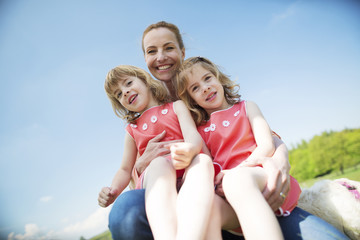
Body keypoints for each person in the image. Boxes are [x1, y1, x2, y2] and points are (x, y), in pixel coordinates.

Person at [107, 21, 350, 240]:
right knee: (125, 210)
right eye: (151, 51)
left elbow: (261, 136)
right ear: (145, 59)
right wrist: (140, 168)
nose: (161, 56)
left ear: (182, 51)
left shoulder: (208, 103)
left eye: (168, 47)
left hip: (244, 189)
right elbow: (136, 176)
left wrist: (279, 158)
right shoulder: (145, 118)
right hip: (206, 206)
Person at [176, 56, 303, 239]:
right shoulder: (200, 131)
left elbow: (267, 146)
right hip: (230, 200)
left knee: (237, 180)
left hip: (259, 176)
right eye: (195, 88)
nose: (205, 88)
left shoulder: (246, 107)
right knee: (201, 209)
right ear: (192, 100)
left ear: (218, 78)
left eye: (208, 78)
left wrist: (237, 171)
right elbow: (207, 165)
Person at [98, 65, 215, 240]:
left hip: (186, 173)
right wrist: (113, 190)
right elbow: (125, 169)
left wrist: (197, 155)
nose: (125, 92)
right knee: (160, 163)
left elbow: (193, 137)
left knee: (201, 163)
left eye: (128, 83)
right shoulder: (132, 130)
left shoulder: (176, 107)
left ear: (144, 80)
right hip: (155, 178)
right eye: (119, 94)